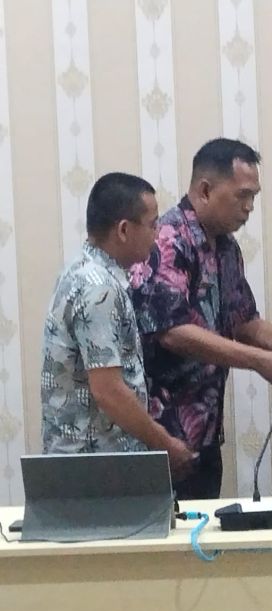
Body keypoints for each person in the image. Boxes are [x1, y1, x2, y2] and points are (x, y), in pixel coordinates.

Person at [130, 138, 272, 499]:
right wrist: (259, 361)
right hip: (160, 435)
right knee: (164, 535)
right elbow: (173, 332)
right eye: (241, 196)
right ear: (205, 190)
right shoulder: (168, 241)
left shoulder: (226, 247)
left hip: (203, 434)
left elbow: (244, 321)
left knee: (202, 531)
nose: (249, 208)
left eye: (254, 197)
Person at [41, 172, 194, 478]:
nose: (157, 235)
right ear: (124, 230)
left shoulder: (80, 270)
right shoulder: (99, 288)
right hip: (96, 471)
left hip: (85, 467)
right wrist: (165, 444)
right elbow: (108, 390)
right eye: (152, 224)